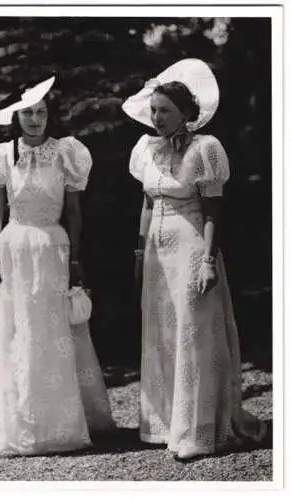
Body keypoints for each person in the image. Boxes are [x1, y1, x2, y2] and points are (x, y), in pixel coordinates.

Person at [122, 59, 267, 461]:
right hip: (156, 251)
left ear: (187, 114)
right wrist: (138, 252)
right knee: (162, 333)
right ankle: (165, 425)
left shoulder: (206, 149)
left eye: (165, 111)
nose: (157, 118)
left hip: (190, 246)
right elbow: (148, 205)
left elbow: (213, 211)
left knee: (192, 332)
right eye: (153, 110)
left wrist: (207, 260)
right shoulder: (146, 149)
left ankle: (199, 428)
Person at [0, 76, 115, 457]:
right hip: (15, 247)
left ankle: (62, 424)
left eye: (41, 112)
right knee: (18, 330)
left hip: (52, 245)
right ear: (17, 117)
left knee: (53, 329)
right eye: (28, 113)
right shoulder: (3, 155)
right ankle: (24, 423)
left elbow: (74, 213)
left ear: (49, 115)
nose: (35, 119)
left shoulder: (65, 153)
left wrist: (74, 258)